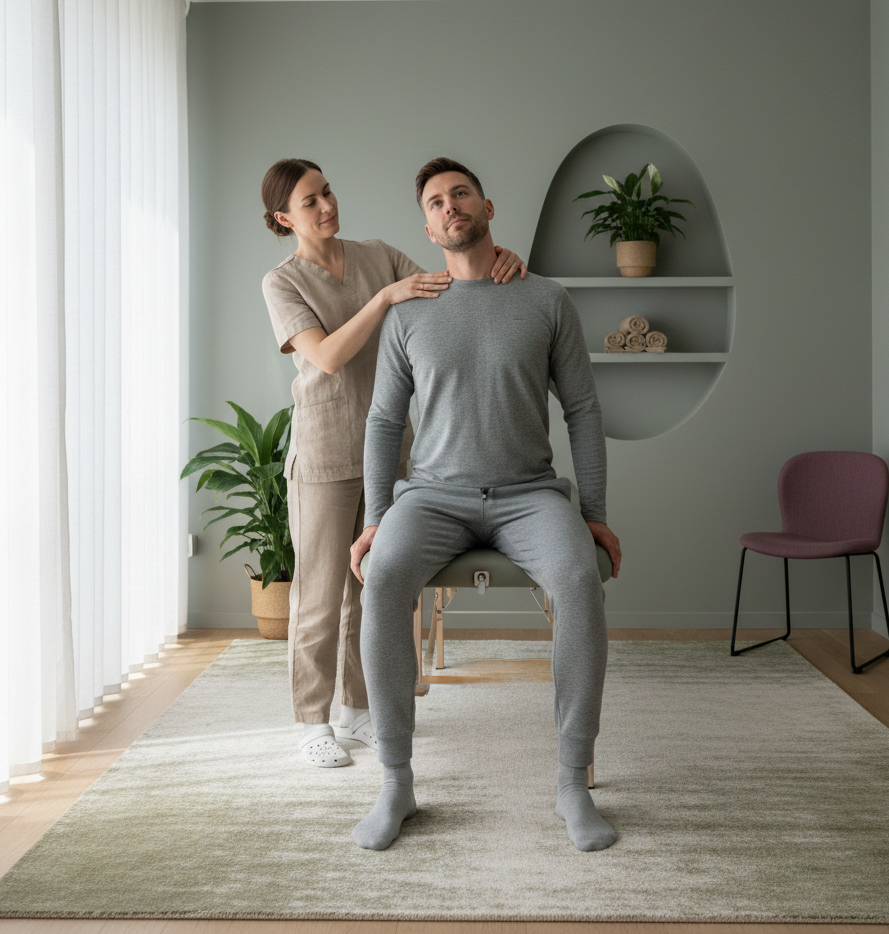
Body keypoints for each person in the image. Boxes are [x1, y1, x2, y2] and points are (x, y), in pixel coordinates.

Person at [349, 157, 622, 851]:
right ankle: (396, 783)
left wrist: (593, 510)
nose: (450, 207)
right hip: (432, 497)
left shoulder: (545, 300)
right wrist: (377, 516)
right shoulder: (408, 312)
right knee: (381, 578)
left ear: (488, 207)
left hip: (530, 495)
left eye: (461, 194)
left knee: (580, 580)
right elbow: (383, 423)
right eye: (436, 202)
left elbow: (584, 411)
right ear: (428, 225)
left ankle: (571, 783)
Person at [260, 158, 526, 769]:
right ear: (284, 218)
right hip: (326, 453)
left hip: (391, 452)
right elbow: (325, 356)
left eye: (327, 191)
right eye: (309, 202)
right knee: (321, 596)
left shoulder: (378, 252)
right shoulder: (283, 282)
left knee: (374, 587)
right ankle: (311, 722)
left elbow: (455, 282)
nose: (327, 206)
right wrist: (384, 299)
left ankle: (359, 710)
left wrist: (507, 260)